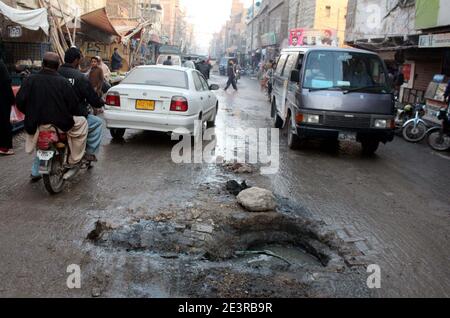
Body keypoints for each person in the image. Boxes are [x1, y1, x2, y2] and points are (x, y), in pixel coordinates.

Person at [16, 52, 88, 181]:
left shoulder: (30, 80)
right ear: (57, 66)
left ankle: (35, 170)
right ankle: (75, 158)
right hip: (60, 125)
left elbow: (20, 102)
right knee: (83, 122)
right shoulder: (63, 82)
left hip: (36, 124)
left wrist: (31, 113)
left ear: (43, 64)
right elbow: (73, 107)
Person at [58, 47, 105, 163]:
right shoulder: (80, 77)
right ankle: (90, 153)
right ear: (76, 60)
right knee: (98, 123)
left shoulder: (55, 73)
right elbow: (92, 98)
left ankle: (35, 170)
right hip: (74, 116)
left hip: (53, 114)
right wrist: (100, 102)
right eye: (79, 59)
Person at [0, 58, 15, 155]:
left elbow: (6, 82)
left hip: (3, 99)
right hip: (3, 99)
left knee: (3, 122)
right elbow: (7, 82)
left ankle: (5, 147)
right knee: (4, 122)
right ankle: (5, 147)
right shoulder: (1, 65)